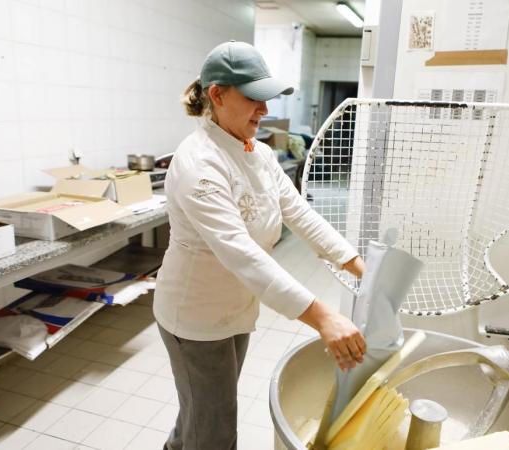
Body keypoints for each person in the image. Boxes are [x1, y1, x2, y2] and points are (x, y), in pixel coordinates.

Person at [153, 40, 366, 450]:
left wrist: (355, 262)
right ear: (217, 94)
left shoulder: (260, 155)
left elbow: (300, 214)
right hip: (195, 318)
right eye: (254, 98)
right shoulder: (200, 164)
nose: (265, 111)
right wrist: (323, 317)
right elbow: (241, 253)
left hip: (235, 309)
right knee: (213, 431)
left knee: (199, 411)